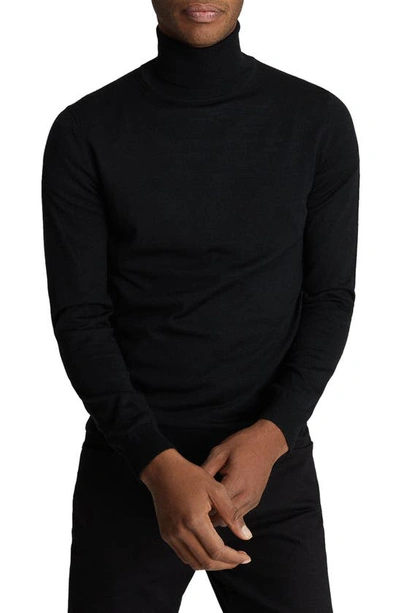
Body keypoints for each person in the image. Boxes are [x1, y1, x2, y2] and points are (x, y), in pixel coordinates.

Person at [41, 1, 360, 611]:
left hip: (270, 463)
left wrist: (273, 436)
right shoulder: (86, 129)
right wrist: (153, 461)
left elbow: (329, 297)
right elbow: (79, 316)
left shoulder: (317, 120)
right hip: (130, 464)